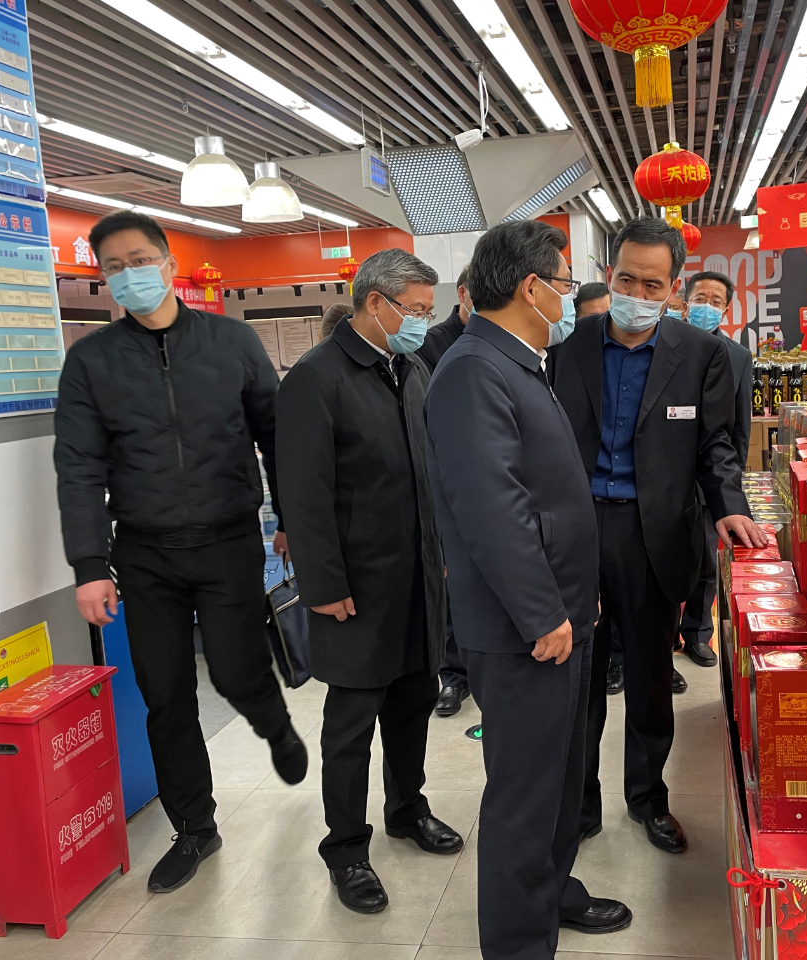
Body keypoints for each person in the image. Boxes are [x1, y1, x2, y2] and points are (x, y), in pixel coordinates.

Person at [53, 211, 306, 894]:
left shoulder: (231, 342)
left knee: (236, 671)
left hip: (228, 540)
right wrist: (89, 567)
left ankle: (275, 725)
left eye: (139, 260)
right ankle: (194, 827)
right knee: (165, 695)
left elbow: (277, 434)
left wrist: (290, 520)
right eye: (112, 267)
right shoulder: (92, 362)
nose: (127, 275)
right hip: (144, 552)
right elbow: (79, 467)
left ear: (168, 265)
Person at [425, 220, 631, 959]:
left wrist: (579, 596)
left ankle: (552, 891)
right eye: (565, 283)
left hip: (560, 612)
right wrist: (545, 611)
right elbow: (495, 510)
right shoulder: (473, 370)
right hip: (522, 629)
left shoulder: (518, 361)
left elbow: (548, 495)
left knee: (561, 780)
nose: (570, 298)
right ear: (531, 287)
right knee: (525, 794)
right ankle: (516, 944)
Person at [548, 217, 763, 854]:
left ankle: (647, 798)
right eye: (625, 280)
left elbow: (716, 446)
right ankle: (580, 804)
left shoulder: (700, 355)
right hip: (578, 533)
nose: (636, 294)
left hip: (654, 535)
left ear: (673, 289)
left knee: (649, 680)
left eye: (651, 285)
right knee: (578, 682)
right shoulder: (567, 347)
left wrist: (729, 506)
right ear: (608, 274)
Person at [275, 249, 463, 914]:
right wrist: (324, 585)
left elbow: (431, 469)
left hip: (417, 578)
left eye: (428, 311)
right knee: (351, 727)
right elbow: (303, 494)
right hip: (354, 588)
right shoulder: (316, 378)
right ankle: (347, 850)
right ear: (375, 303)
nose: (422, 322)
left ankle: (407, 808)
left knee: (413, 705)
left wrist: (442, 550)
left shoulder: (411, 369)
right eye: (414, 310)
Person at [678, 271, 754, 668]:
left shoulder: (737, 356)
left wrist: (730, 485)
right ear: (685, 301)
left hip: (713, 478)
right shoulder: (666, 344)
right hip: (668, 475)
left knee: (708, 562)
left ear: (726, 309)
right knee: (661, 559)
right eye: (700, 298)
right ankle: (657, 640)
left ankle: (697, 634)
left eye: (716, 301)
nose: (706, 306)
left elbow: (739, 426)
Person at [418, 267, 473, 718]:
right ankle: (453, 678)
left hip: (493, 475)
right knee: (451, 586)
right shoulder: (431, 345)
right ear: (464, 294)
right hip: (447, 477)